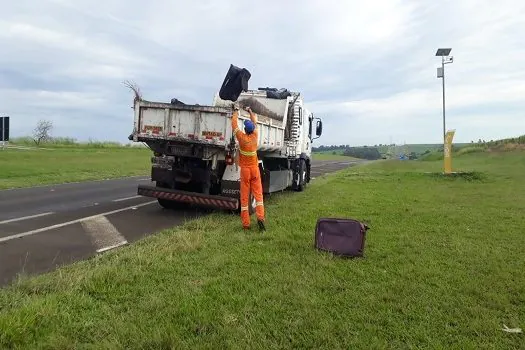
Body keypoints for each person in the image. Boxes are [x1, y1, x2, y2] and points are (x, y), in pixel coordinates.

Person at [231, 104, 266, 231]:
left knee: (245, 198)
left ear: (245, 130)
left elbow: (234, 125)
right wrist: (250, 111)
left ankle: (246, 224)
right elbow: (255, 122)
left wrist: (235, 111)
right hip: (255, 170)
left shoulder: (241, 138)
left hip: (245, 171)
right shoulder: (255, 136)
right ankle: (261, 218)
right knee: (259, 196)